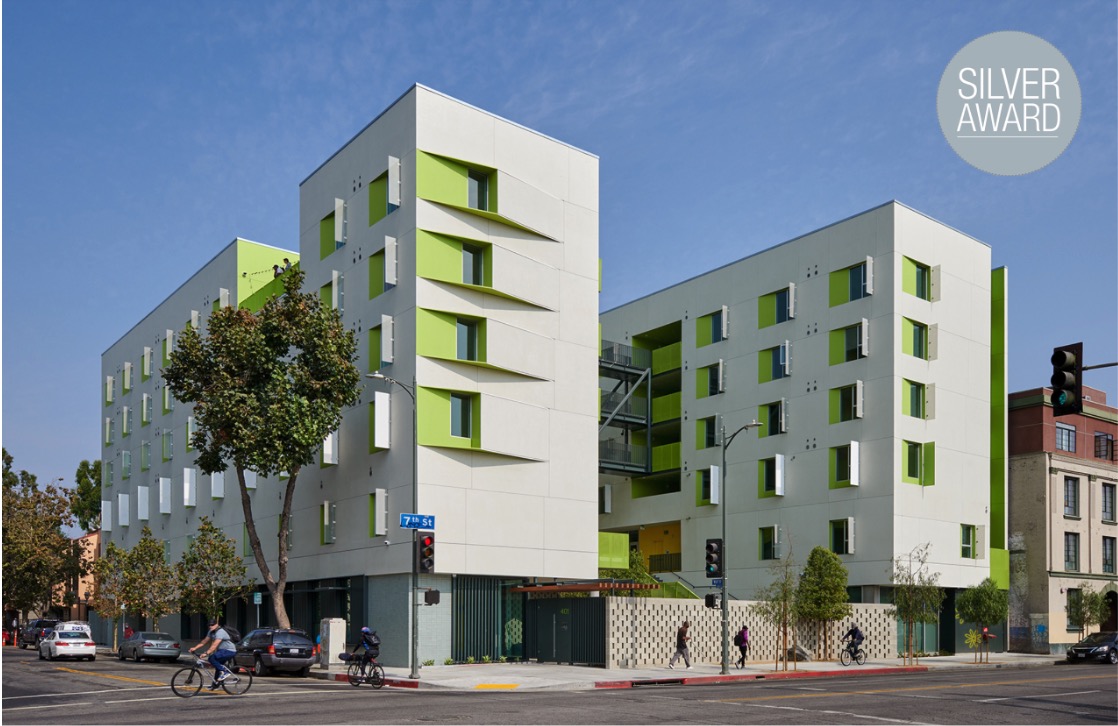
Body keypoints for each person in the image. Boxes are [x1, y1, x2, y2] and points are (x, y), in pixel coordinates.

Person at [189, 619, 238, 689]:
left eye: (212, 625)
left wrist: (206, 653)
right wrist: (195, 648)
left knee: (212, 658)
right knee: (218, 666)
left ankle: (225, 672)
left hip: (229, 650)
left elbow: (215, 644)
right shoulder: (211, 632)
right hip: (222, 651)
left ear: (216, 624)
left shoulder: (220, 632)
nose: (210, 626)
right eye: (209, 625)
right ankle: (215, 684)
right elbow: (204, 641)